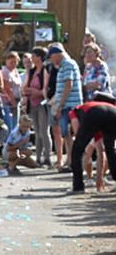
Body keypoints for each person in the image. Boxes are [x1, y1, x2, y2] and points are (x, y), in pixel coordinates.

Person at [67, 98, 116, 193]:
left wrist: (82, 144)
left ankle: (78, 187)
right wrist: (99, 178)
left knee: (76, 151)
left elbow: (78, 136)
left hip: (95, 114)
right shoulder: (93, 121)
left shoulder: (74, 111)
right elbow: (101, 151)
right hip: (113, 112)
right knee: (110, 150)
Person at [49, 43, 83, 172]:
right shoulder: (64, 66)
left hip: (69, 106)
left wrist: (60, 104)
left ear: (57, 55)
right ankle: (70, 161)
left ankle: (73, 161)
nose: (51, 60)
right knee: (66, 134)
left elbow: (69, 84)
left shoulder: (67, 64)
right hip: (66, 105)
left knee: (69, 134)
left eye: (52, 57)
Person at [23, 47, 52, 166]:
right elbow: (25, 87)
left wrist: (36, 92)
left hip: (42, 104)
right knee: (37, 131)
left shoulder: (45, 70)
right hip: (32, 104)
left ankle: (47, 157)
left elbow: (45, 89)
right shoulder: (31, 71)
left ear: (39, 57)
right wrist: (28, 90)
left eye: (34, 56)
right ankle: (38, 157)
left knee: (44, 131)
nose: (32, 58)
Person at [0, 51, 22, 132]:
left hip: (17, 100)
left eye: (15, 62)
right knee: (11, 127)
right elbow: (7, 89)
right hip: (9, 103)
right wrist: (14, 104)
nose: (13, 64)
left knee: (16, 126)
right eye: (11, 62)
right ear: (6, 61)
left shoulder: (15, 71)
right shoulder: (5, 71)